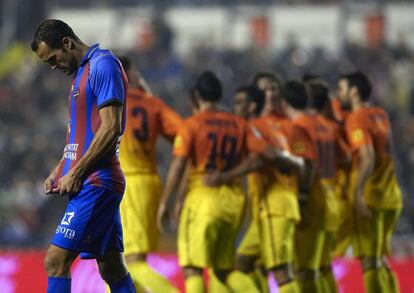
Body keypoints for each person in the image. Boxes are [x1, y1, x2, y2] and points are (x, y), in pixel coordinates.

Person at [31, 19, 135, 292]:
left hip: (98, 182)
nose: (54, 67)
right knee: (111, 267)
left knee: (55, 261)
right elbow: (81, 133)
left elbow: (111, 127)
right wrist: (61, 168)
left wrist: (75, 172)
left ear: (67, 43)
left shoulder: (103, 65)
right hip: (93, 180)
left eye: (53, 59)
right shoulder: (82, 73)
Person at [157, 71, 263, 293]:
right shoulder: (238, 124)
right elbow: (257, 159)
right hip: (233, 203)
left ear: (197, 96)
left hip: (203, 200)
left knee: (193, 269)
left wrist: (167, 201)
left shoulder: (192, 124)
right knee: (223, 269)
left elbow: (178, 165)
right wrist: (228, 176)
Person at [118, 56, 182, 293]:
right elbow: (184, 134)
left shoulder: (107, 102)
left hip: (126, 185)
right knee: (120, 261)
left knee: (128, 262)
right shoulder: (152, 104)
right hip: (149, 182)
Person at [338, 71, 402, 293]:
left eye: (342, 89)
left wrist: (357, 193)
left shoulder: (357, 119)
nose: (339, 95)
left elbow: (367, 156)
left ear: (354, 92)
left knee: (369, 261)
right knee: (381, 258)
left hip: (372, 196)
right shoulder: (380, 113)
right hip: (391, 194)